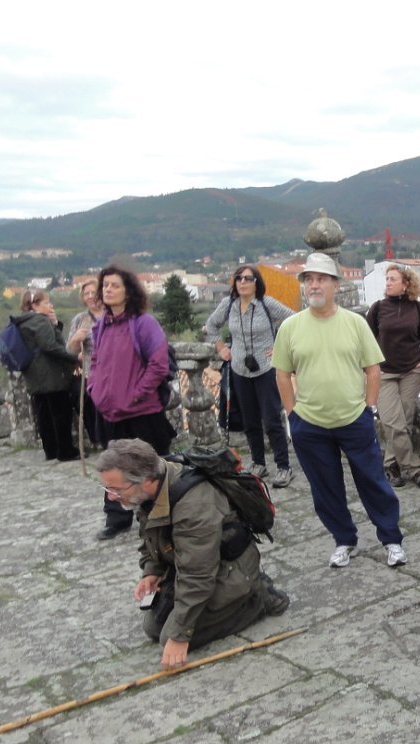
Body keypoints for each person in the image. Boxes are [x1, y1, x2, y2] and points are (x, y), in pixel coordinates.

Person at [96, 439, 289, 670]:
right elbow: (151, 536)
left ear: (145, 480)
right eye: (108, 489)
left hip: (227, 569)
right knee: (152, 627)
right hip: (194, 563)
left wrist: (180, 635)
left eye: (116, 490)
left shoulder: (194, 505)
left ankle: (257, 599)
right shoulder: (150, 487)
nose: (111, 497)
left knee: (169, 637)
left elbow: (198, 575)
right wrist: (152, 571)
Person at [272, 253, 406, 569]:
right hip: (309, 423)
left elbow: (373, 369)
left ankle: (391, 539)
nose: (314, 285)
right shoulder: (290, 327)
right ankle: (344, 540)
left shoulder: (355, 323)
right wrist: (292, 415)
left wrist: (369, 408)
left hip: (354, 419)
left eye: (321, 279)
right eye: (309, 279)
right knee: (325, 487)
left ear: (335, 285)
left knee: (373, 481)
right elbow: (282, 374)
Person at [88, 264, 177, 540]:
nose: (108, 290)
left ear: (128, 291)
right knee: (112, 468)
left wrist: (136, 394)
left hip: (143, 412)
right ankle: (117, 518)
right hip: (110, 412)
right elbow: (96, 362)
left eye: (115, 285)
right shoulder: (101, 326)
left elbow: (159, 364)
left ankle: (165, 517)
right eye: (105, 285)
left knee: (154, 466)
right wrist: (94, 388)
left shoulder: (144, 323)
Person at [204, 266, 296, 489]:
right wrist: (221, 348)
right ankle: (258, 463)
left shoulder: (266, 304)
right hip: (239, 369)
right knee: (250, 420)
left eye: (248, 278)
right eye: (239, 278)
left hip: (266, 368)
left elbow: (295, 320)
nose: (242, 282)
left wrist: (280, 347)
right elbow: (211, 326)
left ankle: (283, 466)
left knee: (271, 419)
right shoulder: (228, 305)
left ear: (257, 282)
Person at [365, 263, 420, 489]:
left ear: (405, 284)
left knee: (403, 422)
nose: (388, 283)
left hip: (411, 373)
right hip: (385, 373)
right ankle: (414, 468)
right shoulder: (378, 308)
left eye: (393, 279)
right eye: (387, 279)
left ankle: (391, 466)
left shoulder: (418, 309)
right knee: (393, 422)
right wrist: (371, 367)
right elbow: (366, 341)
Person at [14, 290, 81, 462]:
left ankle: (50, 450)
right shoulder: (40, 321)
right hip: (51, 374)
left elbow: (44, 342)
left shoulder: (24, 322)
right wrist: (74, 358)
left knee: (43, 414)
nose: (50, 305)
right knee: (61, 412)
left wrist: (55, 324)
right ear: (34, 305)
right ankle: (66, 450)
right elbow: (51, 346)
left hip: (34, 375)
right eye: (46, 302)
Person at [66, 278, 102, 446]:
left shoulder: (113, 314)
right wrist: (75, 340)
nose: (90, 296)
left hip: (115, 372)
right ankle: (100, 441)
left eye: (93, 292)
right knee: (93, 408)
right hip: (92, 374)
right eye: (86, 293)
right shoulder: (80, 319)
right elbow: (70, 351)